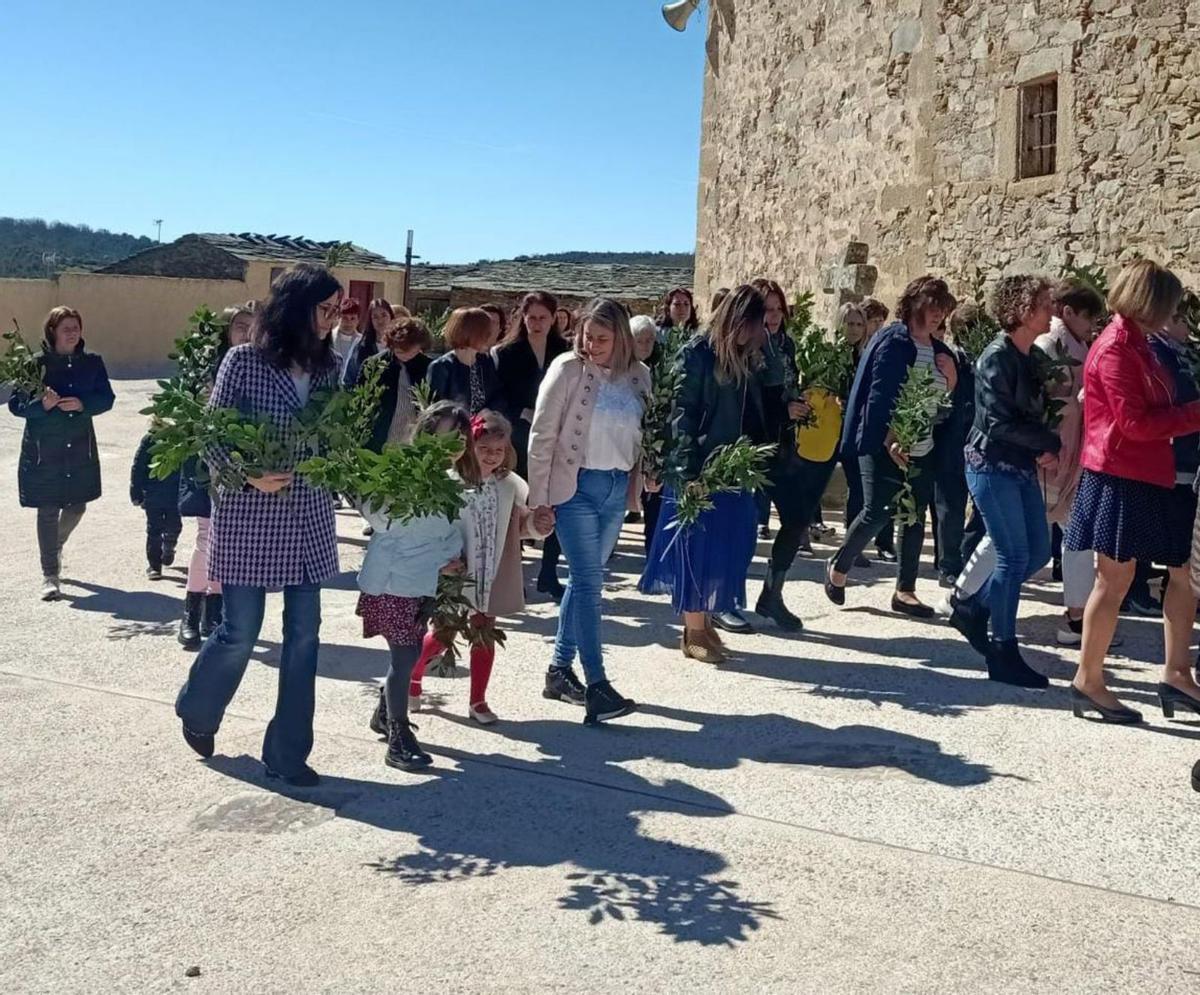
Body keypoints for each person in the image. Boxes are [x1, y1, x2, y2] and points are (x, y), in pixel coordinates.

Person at [174, 264, 344, 786]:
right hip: (250, 515)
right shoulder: (244, 360)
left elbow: (334, 436)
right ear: (298, 307)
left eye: (337, 310)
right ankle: (198, 709)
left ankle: (287, 754)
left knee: (304, 637)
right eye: (325, 308)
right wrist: (247, 473)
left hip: (308, 516)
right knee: (240, 631)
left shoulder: (330, 367)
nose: (332, 318)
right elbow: (211, 434)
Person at [1066, 260, 1200, 723]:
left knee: (1174, 571)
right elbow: (1134, 424)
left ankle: (1173, 674)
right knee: (1114, 580)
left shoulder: (1138, 343)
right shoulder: (1117, 349)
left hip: (1145, 472)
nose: (1174, 313)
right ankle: (1088, 680)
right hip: (1120, 474)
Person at [529, 297, 651, 723]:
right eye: (587, 336)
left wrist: (650, 472)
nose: (592, 345)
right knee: (589, 582)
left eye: (602, 338)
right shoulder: (567, 369)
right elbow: (542, 435)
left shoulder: (640, 376)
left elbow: (647, 434)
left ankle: (558, 671)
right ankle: (597, 683)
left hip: (616, 488)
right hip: (575, 487)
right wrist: (539, 500)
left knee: (584, 583)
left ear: (621, 339)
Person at [640, 285, 767, 662]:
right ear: (734, 319)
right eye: (749, 325)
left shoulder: (746, 358)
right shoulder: (696, 354)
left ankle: (706, 623)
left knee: (725, 548)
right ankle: (693, 632)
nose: (753, 334)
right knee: (695, 550)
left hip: (732, 469)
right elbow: (683, 415)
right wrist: (688, 472)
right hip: (698, 469)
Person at [407, 410, 555, 724]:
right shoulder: (451, 482)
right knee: (443, 634)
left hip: (492, 570)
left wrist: (538, 524)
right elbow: (435, 527)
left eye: (498, 450)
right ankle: (412, 676)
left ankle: (478, 700)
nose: (491, 455)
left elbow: (520, 525)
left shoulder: (510, 485)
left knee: (484, 633)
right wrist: (439, 561)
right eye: (484, 448)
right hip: (458, 572)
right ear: (468, 447)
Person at [951, 276, 1063, 687]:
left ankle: (973, 607)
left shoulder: (1029, 357)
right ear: (1022, 310)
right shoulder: (995, 358)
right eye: (1045, 304)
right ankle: (1002, 650)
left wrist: (1042, 444)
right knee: (1013, 557)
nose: (1051, 311)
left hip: (1018, 465)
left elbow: (1029, 415)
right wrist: (1046, 442)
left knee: (1037, 553)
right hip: (991, 465)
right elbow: (998, 422)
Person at [826, 276, 958, 617]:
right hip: (883, 444)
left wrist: (952, 379)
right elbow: (879, 394)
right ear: (914, 305)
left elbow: (944, 402)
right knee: (878, 510)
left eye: (942, 309)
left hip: (921, 445)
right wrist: (889, 436)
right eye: (932, 307)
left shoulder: (941, 351)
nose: (938, 315)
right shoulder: (894, 340)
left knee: (913, 515)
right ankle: (839, 565)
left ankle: (905, 591)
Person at [360, 401, 471, 769]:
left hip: (421, 584)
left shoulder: (452, 484)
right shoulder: (401, 473)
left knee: (405, 655)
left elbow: (448, 531)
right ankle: (398, 735)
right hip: (392, 581)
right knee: (405, 655)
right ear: (425, 434)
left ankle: (384, 712)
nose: (454, 444)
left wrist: (450, 559)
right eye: (447, 435)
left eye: (461, 438)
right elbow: (381, 518)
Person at [9, 306, 115, 601]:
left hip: (80, 447)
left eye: (76, 327)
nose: (72, 333)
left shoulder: (92, 363)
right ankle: (50, 575)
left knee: (77, 506)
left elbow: (107, 398)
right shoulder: (34, 364)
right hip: (44, 450)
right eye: (66, 328)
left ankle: (55, 546)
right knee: (47, 510)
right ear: (52, 331)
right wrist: (41, 406)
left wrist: (84, 405)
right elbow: (16, 405)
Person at [739, 278, 816, 633]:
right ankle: (721, 601)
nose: (772, 316)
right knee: (738, 526)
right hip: (750, 445)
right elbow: (746, 402)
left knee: (798, 517)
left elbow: (786, 387)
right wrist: (782, 412)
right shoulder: (745, 348)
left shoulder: (786, 344)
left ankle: (772, 593)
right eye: (765, 310)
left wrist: (798, 403)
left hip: (782, 444)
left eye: (777, 309)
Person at [177, 302, 256, 648]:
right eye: (239, 326)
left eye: (252, 326)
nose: (246, 333)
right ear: (226, 330)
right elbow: (184, 410)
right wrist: (202, 399)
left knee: (228, 541)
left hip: (244, 466)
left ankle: (214, 610)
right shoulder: (205, 367)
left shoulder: (260, 367)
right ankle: (191, 612)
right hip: (206, 463)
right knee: (206, 537)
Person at [494, 292, 571, 598]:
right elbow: (498, 398)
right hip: (519, 438)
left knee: (556, 504)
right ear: (522, 318)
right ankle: (515, 578)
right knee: (517, 509)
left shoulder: (565, 352)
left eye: (543, 317)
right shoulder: (506, 353)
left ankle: (549, 572)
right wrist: (522, 413)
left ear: (553, 319)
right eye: (532, 317)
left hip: (556, 441)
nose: (537, 323)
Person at [842, 299, 897, 566]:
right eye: (850, 324)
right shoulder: (839, 354)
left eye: (859, 324)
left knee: (882, 489)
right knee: (857, 489)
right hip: (847, 428)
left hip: (871, 428)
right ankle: (852, 547)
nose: (855, 329)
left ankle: (883, 543)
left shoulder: (873, 352)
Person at [361, 315, 434, 452]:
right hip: (380, 438)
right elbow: (361, 401)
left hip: (413, 440)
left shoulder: (429, 367)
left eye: (411, 350)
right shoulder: (374, 365)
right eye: (400, 350)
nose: (405, 355)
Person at [130, 423, 182, 580]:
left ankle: (168, 547)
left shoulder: (182, 440)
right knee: (154, 529)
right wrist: (136, 491)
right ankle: (154, 565)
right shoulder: (150, 440)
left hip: (176, 493)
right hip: (153, 493)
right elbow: (138, 466)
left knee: (174, 526)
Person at [427, 307, 502, 414]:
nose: (490, 337)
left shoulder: (485, 362)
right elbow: (436, 411)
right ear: (470, 333)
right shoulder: (442, 367)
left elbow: (497, 396)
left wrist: (488, 412)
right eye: (486, 334)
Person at [629, 315, 664, 539]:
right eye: (639, 340)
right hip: (627, 446)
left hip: (651, 449)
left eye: (649, 340)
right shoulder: (623, 368)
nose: (645, 345)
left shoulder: (660, 366)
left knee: (653, 505)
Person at [341, 297, 397, 387]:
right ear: (370, 321)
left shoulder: (399, 345)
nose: (380, 320)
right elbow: (350, 378)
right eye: (375, 317)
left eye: (384, 315)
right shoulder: (361, 347)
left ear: (391, 316)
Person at [329, 297, 362, 372]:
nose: (348, 322)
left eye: (352, 318)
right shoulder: (328, 338)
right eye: (345, 318)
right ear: (338, 318)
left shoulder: (362, 342)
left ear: (358, 320)